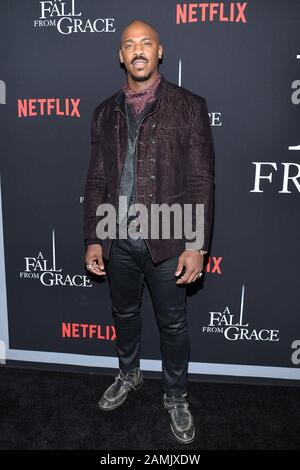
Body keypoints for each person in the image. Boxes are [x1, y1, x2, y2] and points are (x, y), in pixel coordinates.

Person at [83, 19, 215, 445]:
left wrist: (196, 245)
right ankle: (129, 374)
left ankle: (176, 396)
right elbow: (96, 180)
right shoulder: (104, 112)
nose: (138, 51)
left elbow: (200, 181)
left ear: (160, 52)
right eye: (129, 45)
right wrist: (93, 237)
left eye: (146, 43)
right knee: (123, 315)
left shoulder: (189, 106)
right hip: (117, 239)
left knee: (173, 324)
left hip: (169, 239)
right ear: (121, 55)